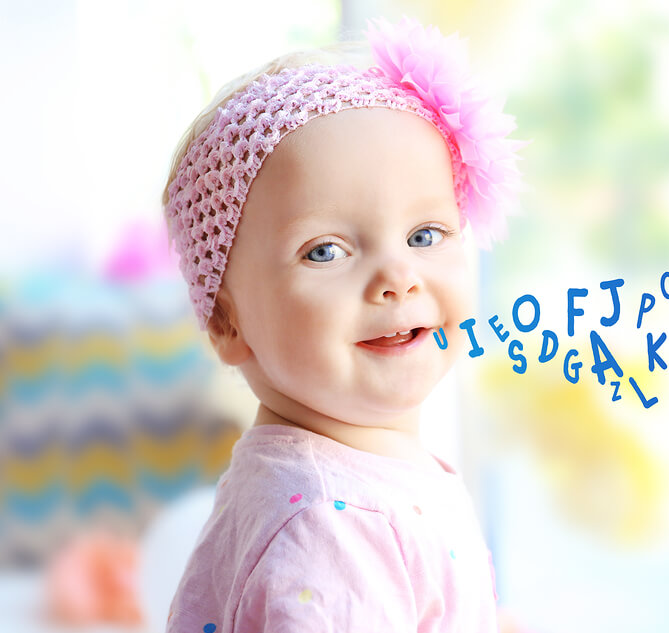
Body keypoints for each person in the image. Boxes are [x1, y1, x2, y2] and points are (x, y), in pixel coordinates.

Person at [160, 16, 523, 633]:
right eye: (325, 250)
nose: (397, 276)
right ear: (225, 320)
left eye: (425, 235)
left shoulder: (347, 480)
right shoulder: (332, 527)